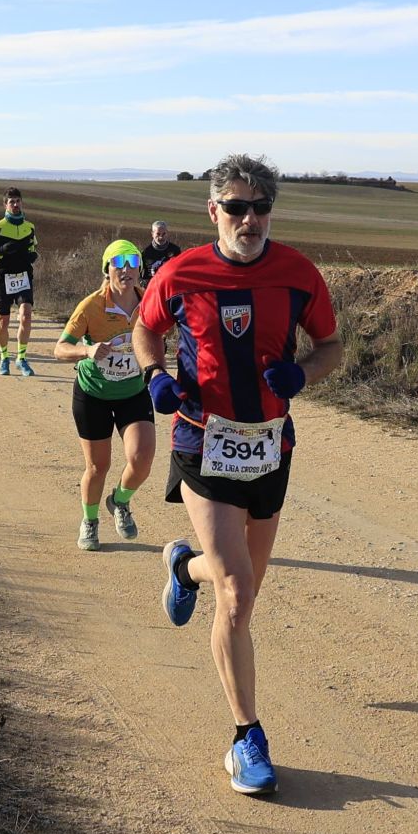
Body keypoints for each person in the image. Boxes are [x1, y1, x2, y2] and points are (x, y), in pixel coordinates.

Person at [134, 154, 343, 796]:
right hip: (203, 439)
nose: (247, 219)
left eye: (259, 208)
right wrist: (156, 375)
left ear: (270, 213)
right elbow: (146, 332)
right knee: (235, 591)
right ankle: (245, 736)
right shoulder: (179, 272)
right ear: (213, 211)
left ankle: (180, 566)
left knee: (245, 590)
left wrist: (304, 374)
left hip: (269, 444)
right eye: (235, 207)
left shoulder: (298, 274)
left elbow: (332, 346)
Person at [55, 240, 155, 551]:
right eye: (118, 262)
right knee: (98, 467)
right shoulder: (91, 307)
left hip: (132, 392)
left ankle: (119, 502)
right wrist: (86, 350)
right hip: (93, 394)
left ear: (140, 268)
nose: (126, 269)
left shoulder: (150, 301)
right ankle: (90, 520)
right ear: (106, 269)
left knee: (141, 460)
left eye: (132, 262)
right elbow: (60, 348)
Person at [0, 187, 38, 377]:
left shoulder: (29, 226)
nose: (15, 204)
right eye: (11, 201)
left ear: (22, 203)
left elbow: (34, 245)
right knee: (3, 320)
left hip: (23, 277)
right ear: (5, 204)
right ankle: (4, 357)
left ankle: (21, 358)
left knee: (26, 316)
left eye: (17, 201)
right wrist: (0, 250)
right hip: (3, 277)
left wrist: (33, 255)